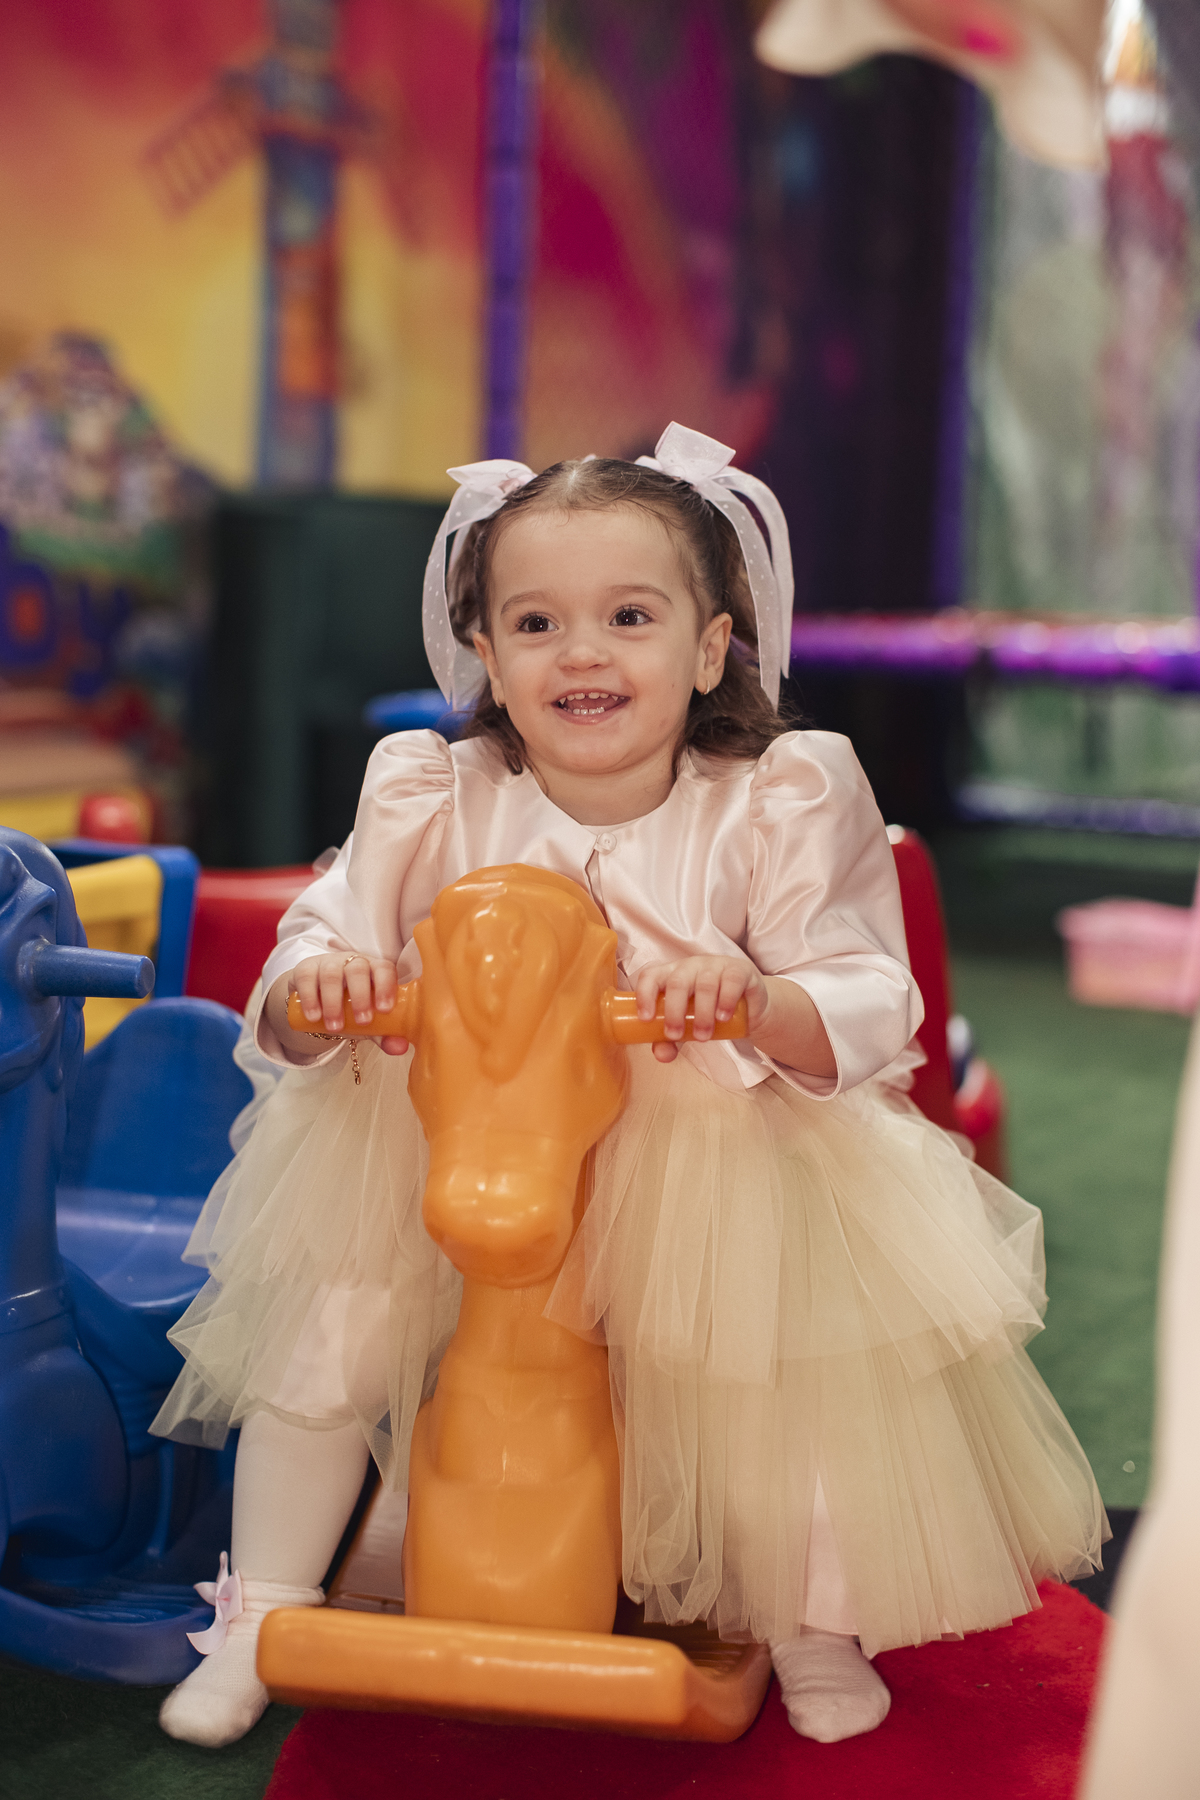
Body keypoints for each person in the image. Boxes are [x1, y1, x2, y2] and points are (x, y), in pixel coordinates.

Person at [152, 423, 1106, 1750]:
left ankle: (801, 1618)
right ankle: (262, 1607)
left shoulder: (774, 796)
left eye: (629, 617)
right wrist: (327, 990)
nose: (582, 653)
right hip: (461, 1140)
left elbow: (869, 999)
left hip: (708, 1150)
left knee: (765, 1359)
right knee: (331, 1324)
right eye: (536, 622)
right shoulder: (435, 791)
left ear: (710, 649)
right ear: (486, 654)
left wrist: (754, 998)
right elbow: (310, 953)